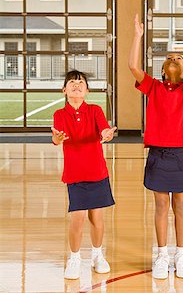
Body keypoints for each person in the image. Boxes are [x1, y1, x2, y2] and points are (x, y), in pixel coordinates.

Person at [129, 14, 183, 279]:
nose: (173, 58)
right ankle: (162, 255)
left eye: (178, 58)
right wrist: (137, 35)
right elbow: (133, 66)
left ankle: (181, 255)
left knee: (180, 205)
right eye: (170, 57)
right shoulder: (154, 87)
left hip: (180, 154)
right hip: (157, 153)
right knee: (159, 207)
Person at [51, 70, 116, 280]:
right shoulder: (59, 115)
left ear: (87, 90)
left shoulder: (95, 110)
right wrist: (58, 138)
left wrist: (106, 134)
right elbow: (56, 138)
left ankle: (97, 255)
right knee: (77, 219)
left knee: (96, 217)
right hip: (75, 175)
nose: (76, 85)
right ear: (64, 90)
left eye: (81, 82)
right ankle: (75, 258)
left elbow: (104, 130)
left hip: (97, 172)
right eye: (72, 82)